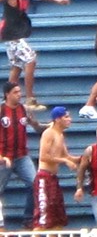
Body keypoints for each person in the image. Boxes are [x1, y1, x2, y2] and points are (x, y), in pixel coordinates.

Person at [0, 0, 70, 111]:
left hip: (15, 33)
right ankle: (30, 99)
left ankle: (7, 101)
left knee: (17, 67)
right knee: (31, 59)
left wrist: (58, 1)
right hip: (12, 33)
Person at [0, 82, 44, 228]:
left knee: (35, 184)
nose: (19, 94)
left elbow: (36, 127)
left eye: (20, 91)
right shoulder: (1, 110)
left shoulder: (24, 109)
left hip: (22, 156)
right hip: (3, 157)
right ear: (7, 94)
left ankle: (28, 219)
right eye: (16, 92)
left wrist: (41, 125)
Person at [33, 106, 80, 230]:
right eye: (66, 117)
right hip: (44, 177)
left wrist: (84, 158)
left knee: (57, 219)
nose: (70, 119)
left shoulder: (60, 135)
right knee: (43, 219)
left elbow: (66, 156)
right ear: (58, 119)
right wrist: (64, 160)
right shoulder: (49, 133)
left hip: (53, 178)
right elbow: (44, 157)